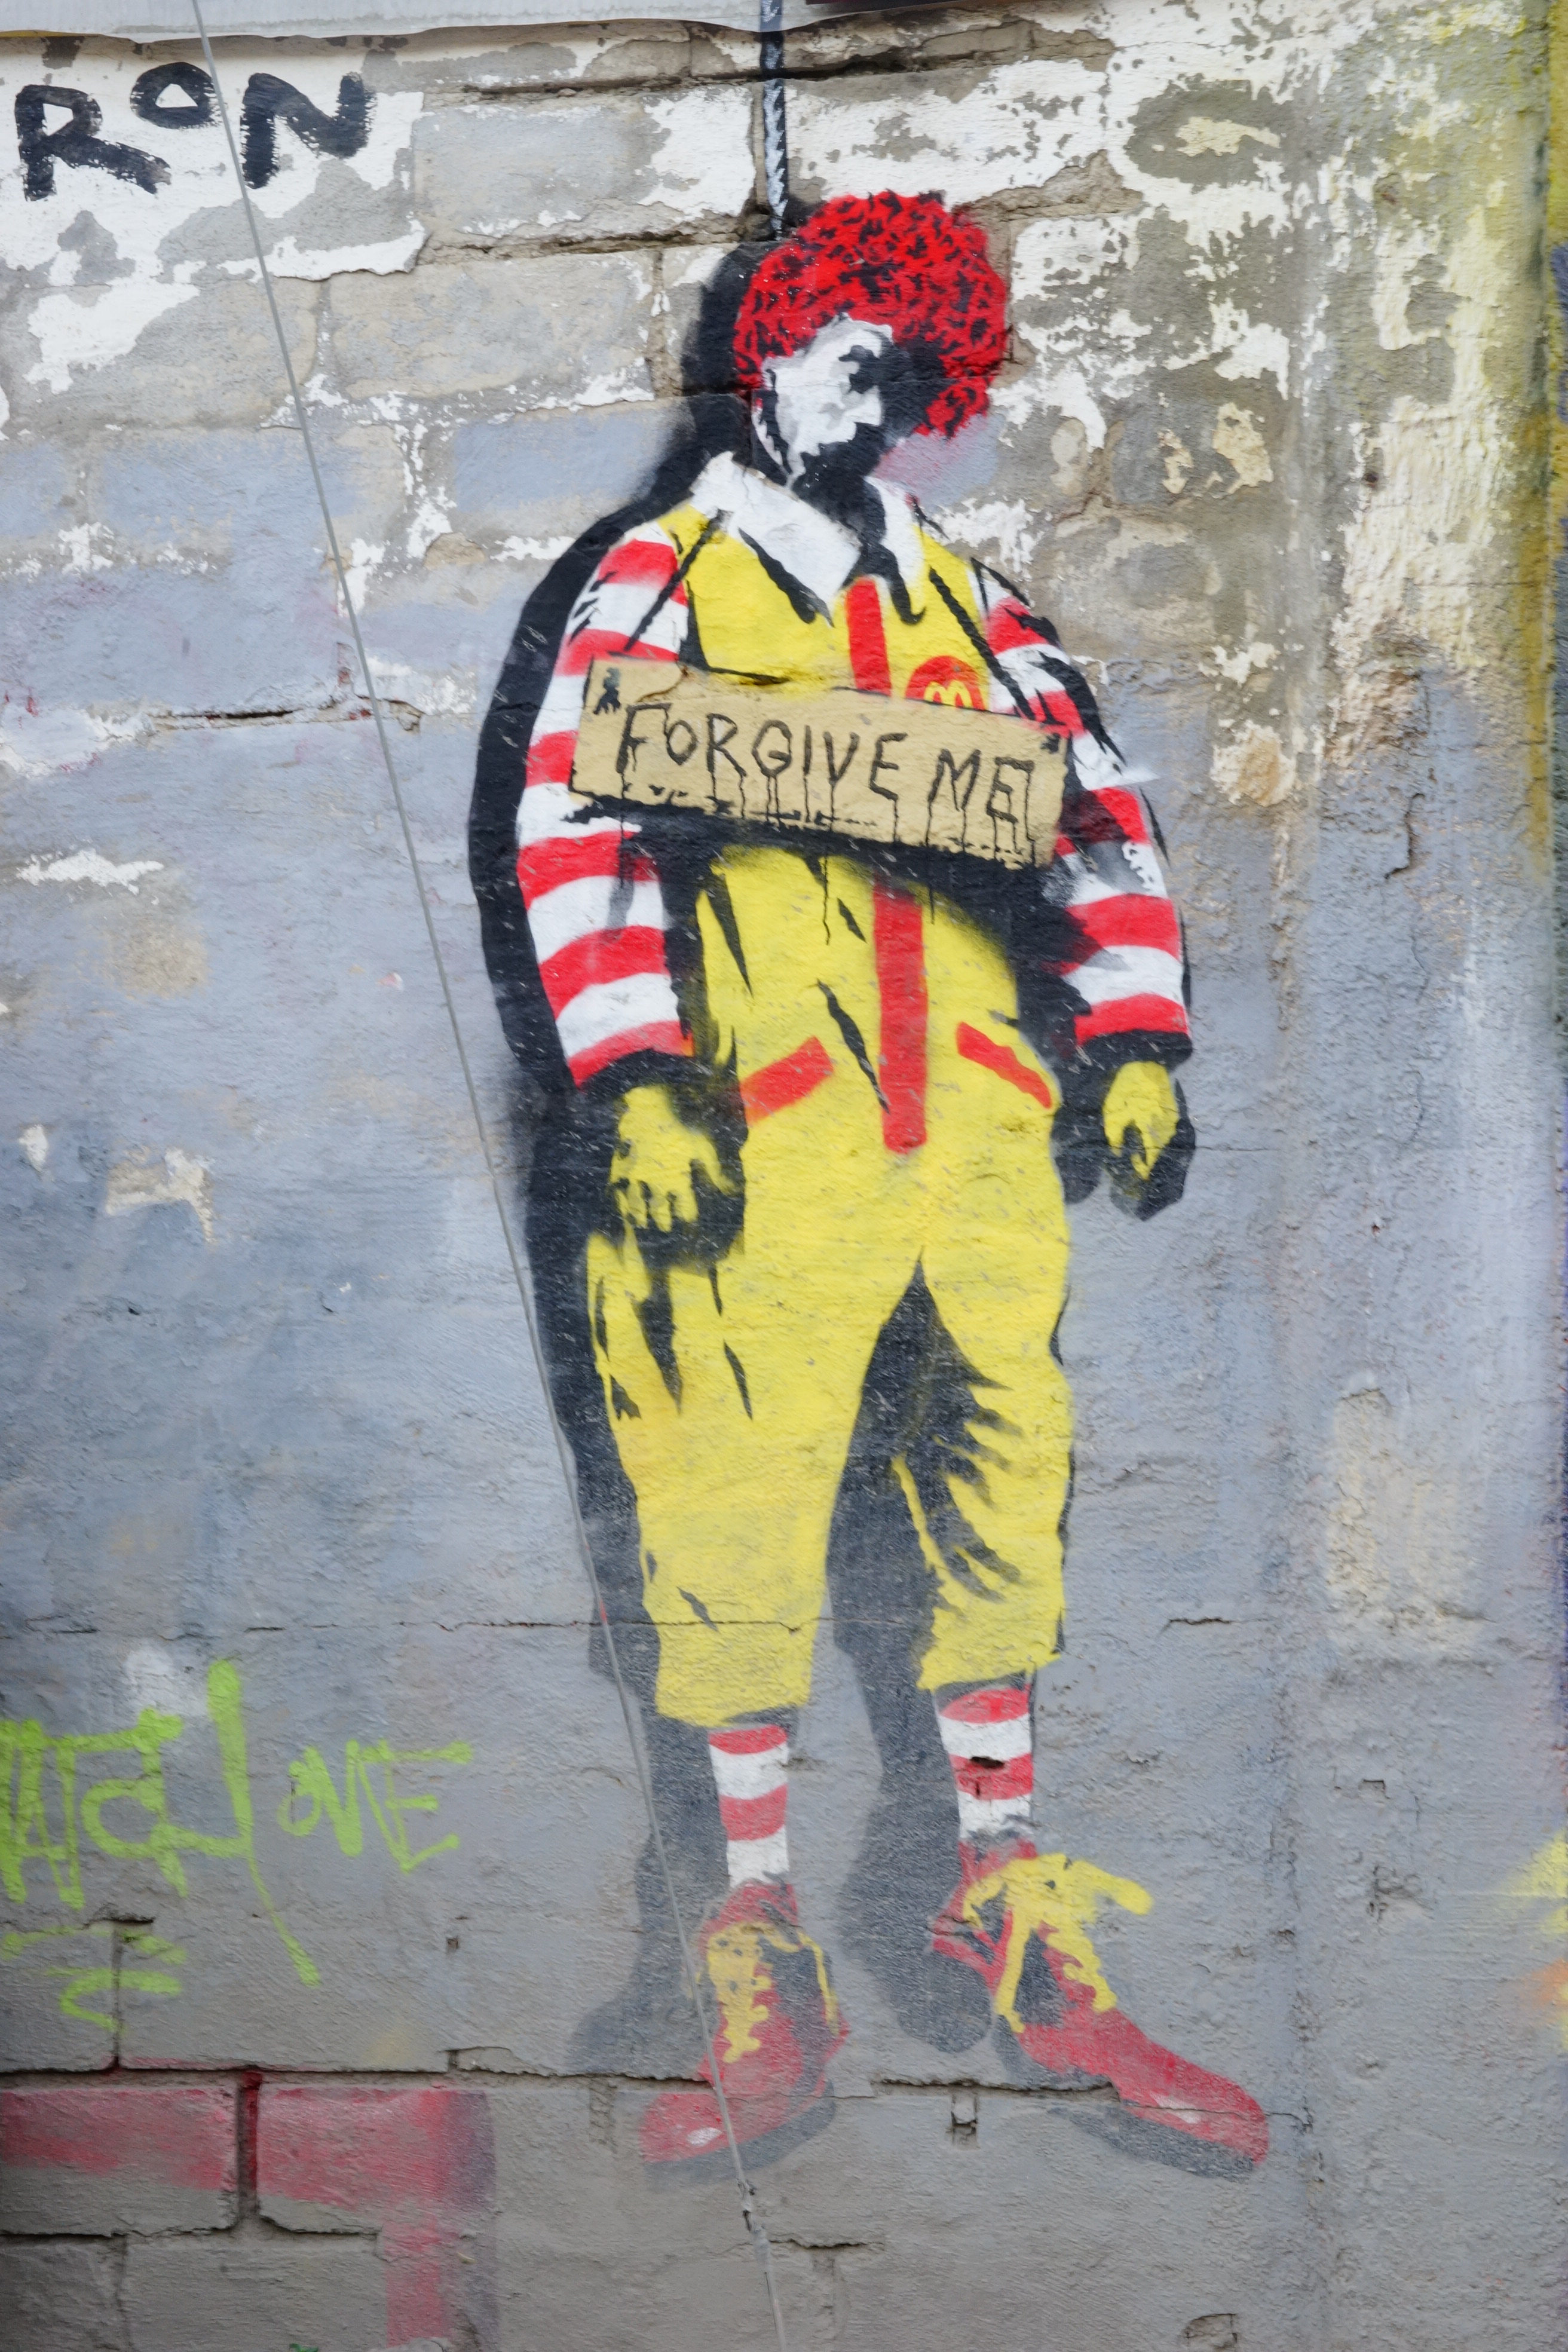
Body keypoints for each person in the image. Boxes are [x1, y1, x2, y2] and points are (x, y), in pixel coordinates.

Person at [509, 191, 1266, 2178]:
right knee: (733, 1499)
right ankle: (759, 1950)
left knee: (1003, 1482)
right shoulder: (663, 584)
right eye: (854, 360)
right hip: (759, 1146)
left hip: (980, 1141)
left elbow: (1096, 812)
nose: (881, 404)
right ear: (771, 352)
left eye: (916, 377)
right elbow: (578, 826)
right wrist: (640, 1077)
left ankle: (1006, 1904)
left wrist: (1133, 1036)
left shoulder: (973, 608)